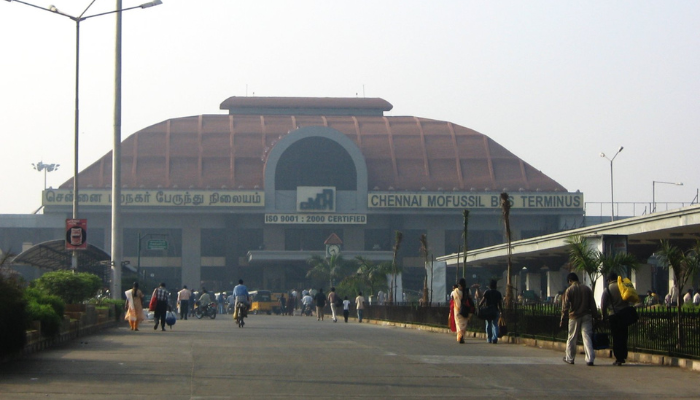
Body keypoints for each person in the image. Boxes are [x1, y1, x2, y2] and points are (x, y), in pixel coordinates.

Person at [560, 273, 599, 366]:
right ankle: (590, 358)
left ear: (570, 281)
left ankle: (570, 358)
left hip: (574, 316)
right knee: (587, 336)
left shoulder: (569, 290)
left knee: (572, 337)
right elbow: (593, 304)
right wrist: (596, 316)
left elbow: (565, 306)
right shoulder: (587, 289)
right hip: (587, 315)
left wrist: (563, 318)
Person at [601, 272, 630, 366]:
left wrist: (603, 315)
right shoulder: (623, 286)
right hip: (625, 314)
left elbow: (603, 304)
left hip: (614, 315)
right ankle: (623, 355)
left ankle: (618, 358)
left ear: (609, 280)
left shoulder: (608, 289)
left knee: (616, 336)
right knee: (624, 336)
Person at [479, 279, 503, 344]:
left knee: (488, 324)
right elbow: (499, 303)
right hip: (495, 310)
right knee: (495, 324)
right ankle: (495, 338)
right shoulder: (498, 293)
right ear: (496, 286)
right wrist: (501, 311)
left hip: (488, 311)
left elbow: (482, 301)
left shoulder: (487, 292)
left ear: (489, 286)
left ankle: (489, 338)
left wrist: (479, 306)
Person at [452, 279, 472, 344]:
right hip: (465, 310)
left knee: (458, 324)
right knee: (464, 324)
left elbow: (453, 299)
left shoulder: (455, 291)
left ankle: (460, 336)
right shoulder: (468, 290)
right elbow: (470, 299)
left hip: (457, 310)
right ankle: (462, 336)